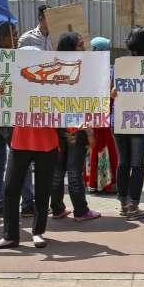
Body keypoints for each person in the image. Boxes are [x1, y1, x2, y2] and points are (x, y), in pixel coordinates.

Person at [0, 75, 59, 249]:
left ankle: (38, 232)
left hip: (47, 142)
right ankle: (10, 235)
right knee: (10, 188)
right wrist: (0, 96)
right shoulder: (16, 82)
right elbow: (8, 108)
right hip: (20, 141)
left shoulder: (54, 84)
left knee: (43, 190)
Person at [0, 21, 35, 218]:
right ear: (2, 38)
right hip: (6, 117)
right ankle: (28, 203)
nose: (17, 38)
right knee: (22, 160)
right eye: (13, 34)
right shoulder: (8, 59)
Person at [50, 32, 101, 222]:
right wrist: (89, 133)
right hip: (76, 128)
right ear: (72, 49)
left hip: (58, 127)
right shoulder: (80, 72)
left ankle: (56, 208)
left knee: (58, 169)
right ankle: (80, 210)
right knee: (74, 170)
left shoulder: (55, 70)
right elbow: (84, 105)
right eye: (80, 45)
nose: (84, 48)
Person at [112, 27, 144, 221]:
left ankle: (123, 204)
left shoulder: (120, 64)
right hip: (140, 120)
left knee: (123, 163)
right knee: (137, 165)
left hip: (119, 120)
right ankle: (133, 206)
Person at [85, 36, 118, 193]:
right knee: (101, 146)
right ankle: (104, 183)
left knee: (97, 146)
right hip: (99, 113)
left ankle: (93, 182)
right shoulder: (107, 70)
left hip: (99, 113)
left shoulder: (92, 68)